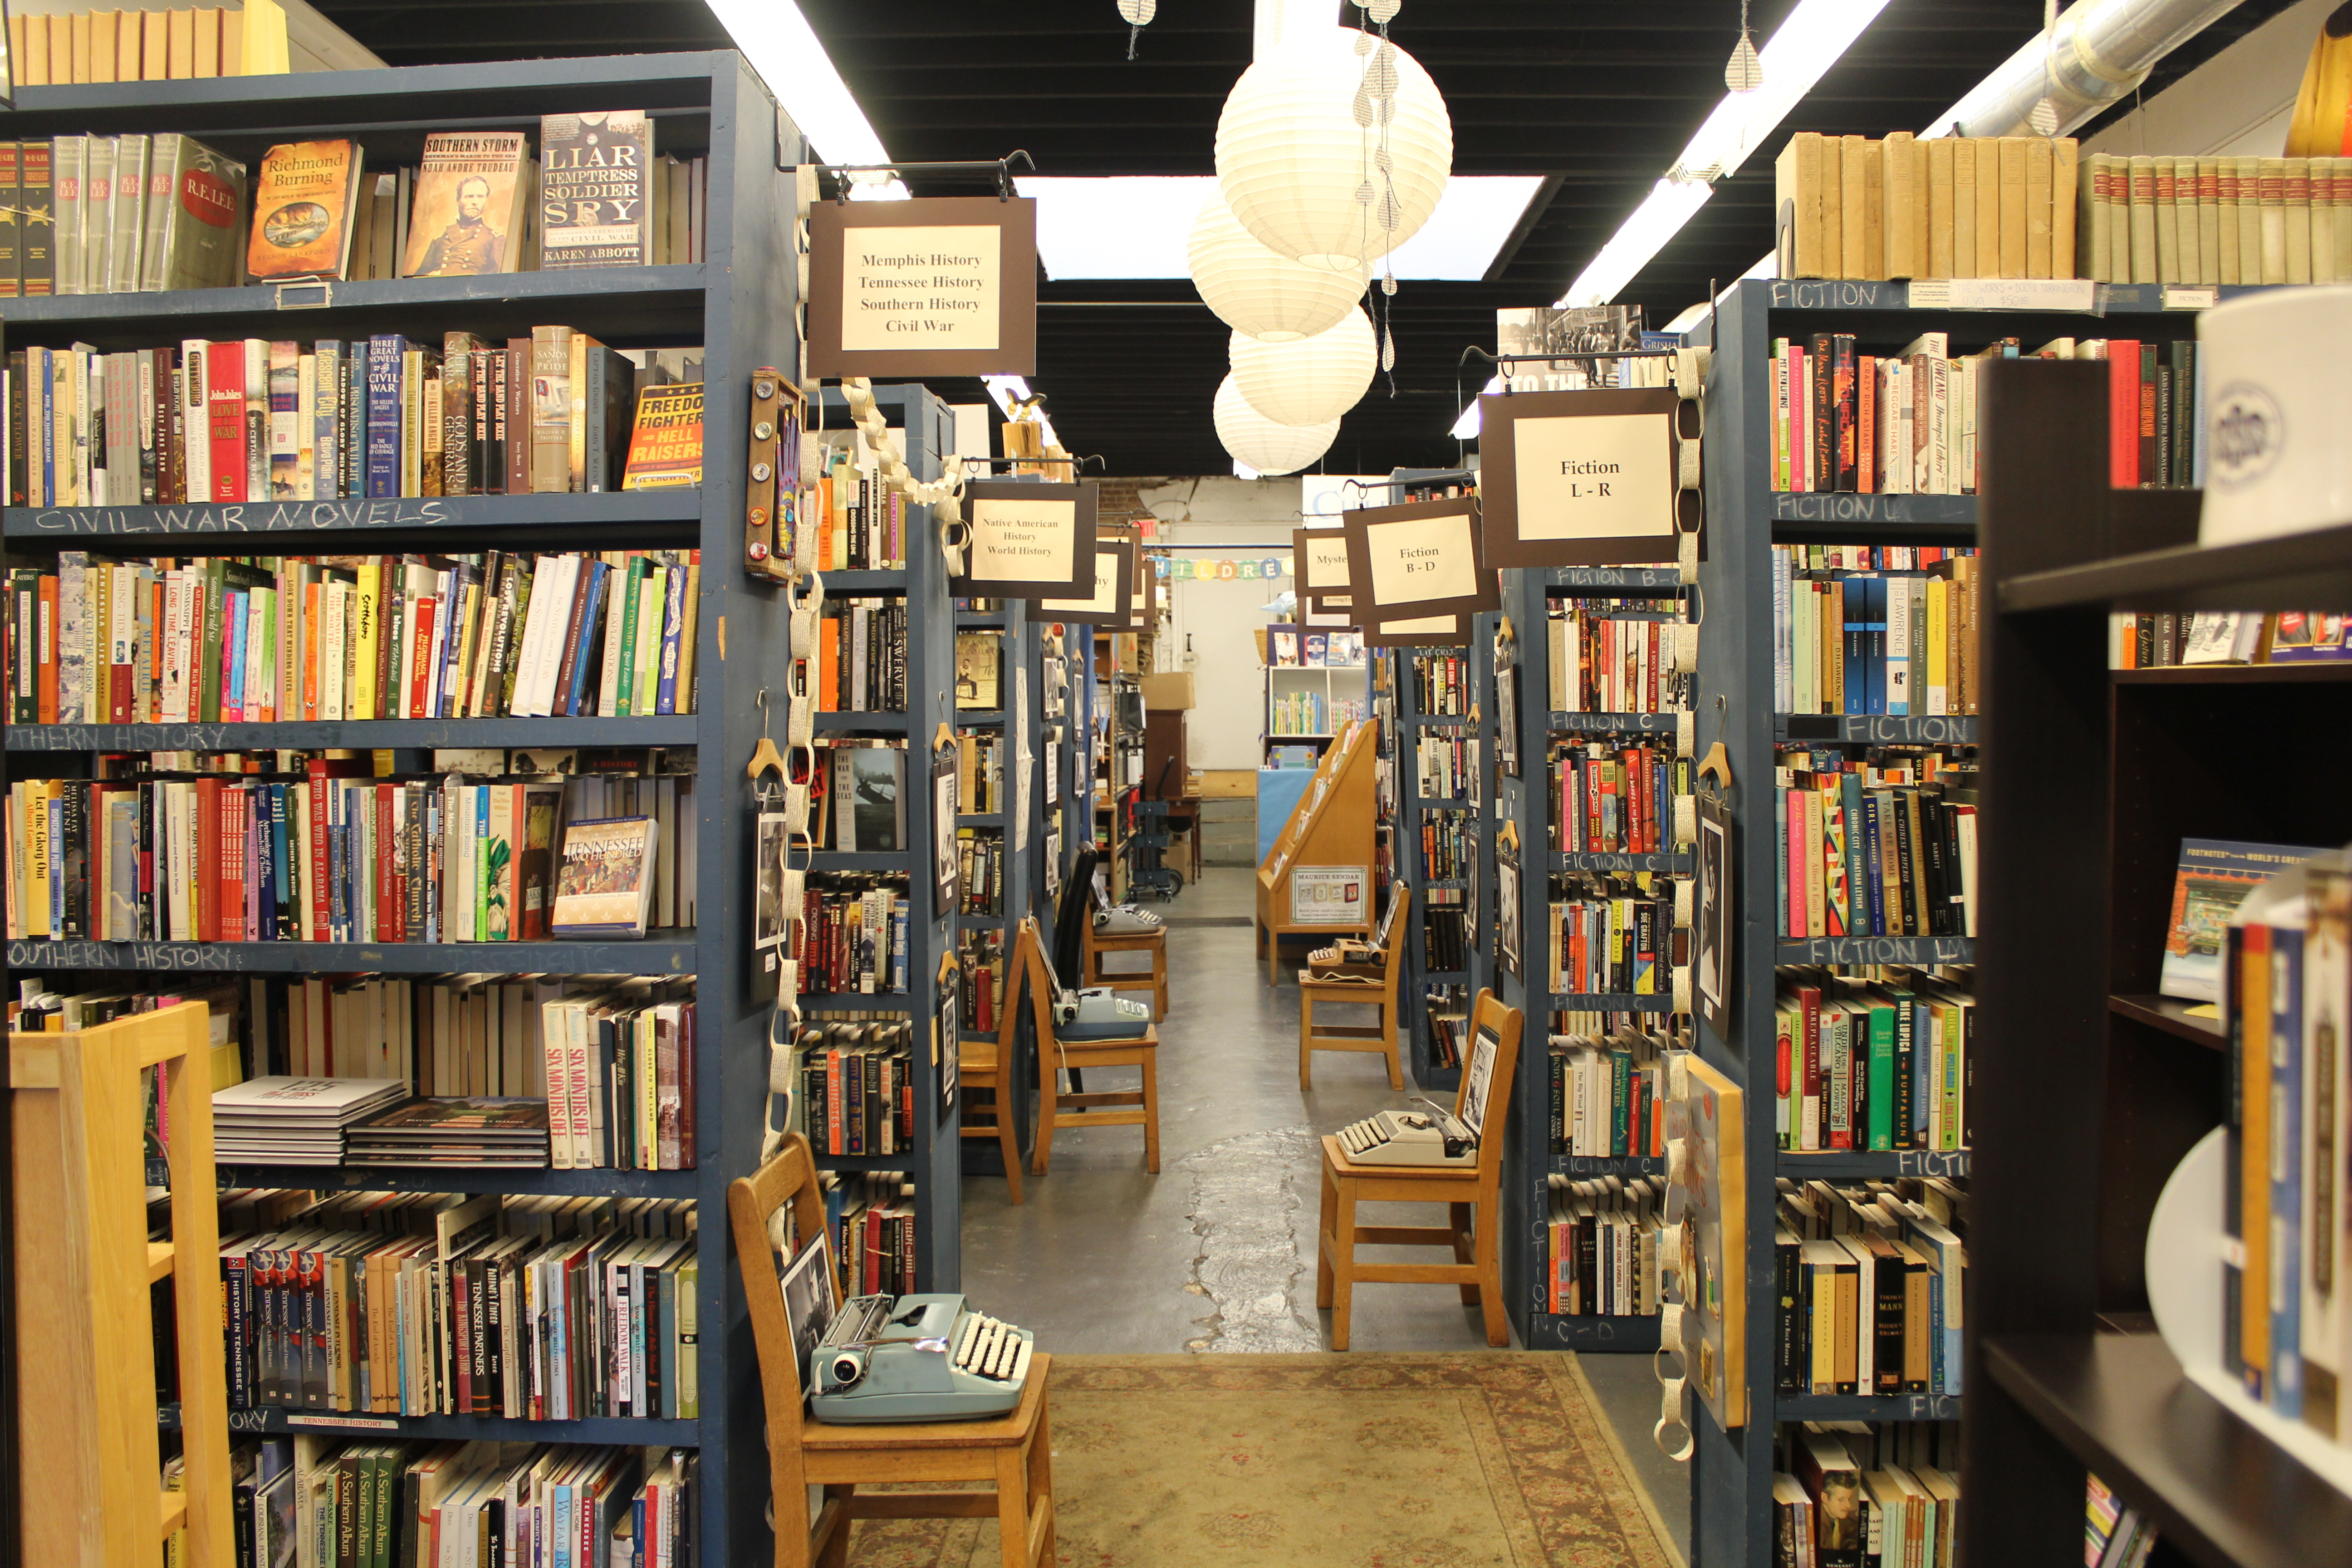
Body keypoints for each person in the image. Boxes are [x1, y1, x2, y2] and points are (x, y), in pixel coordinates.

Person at [416, 173, 504, 275]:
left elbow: (495, 278)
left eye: (480, 197)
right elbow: (420, 277)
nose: (475, 202)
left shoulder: (494, 238)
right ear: (459, 200)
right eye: (469, 197)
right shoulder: (441, 238)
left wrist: (444, 273)